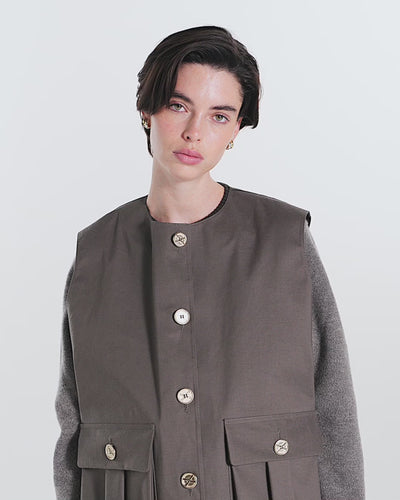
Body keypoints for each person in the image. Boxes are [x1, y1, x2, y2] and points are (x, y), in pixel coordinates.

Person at [53, 25, 365, 500]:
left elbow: (333, 403)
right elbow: (73, 423)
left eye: (219, 116)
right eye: (178, 105)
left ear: (236, 130)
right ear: (146, 110)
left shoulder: (284, 241)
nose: (194, 132)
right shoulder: (95, 254)